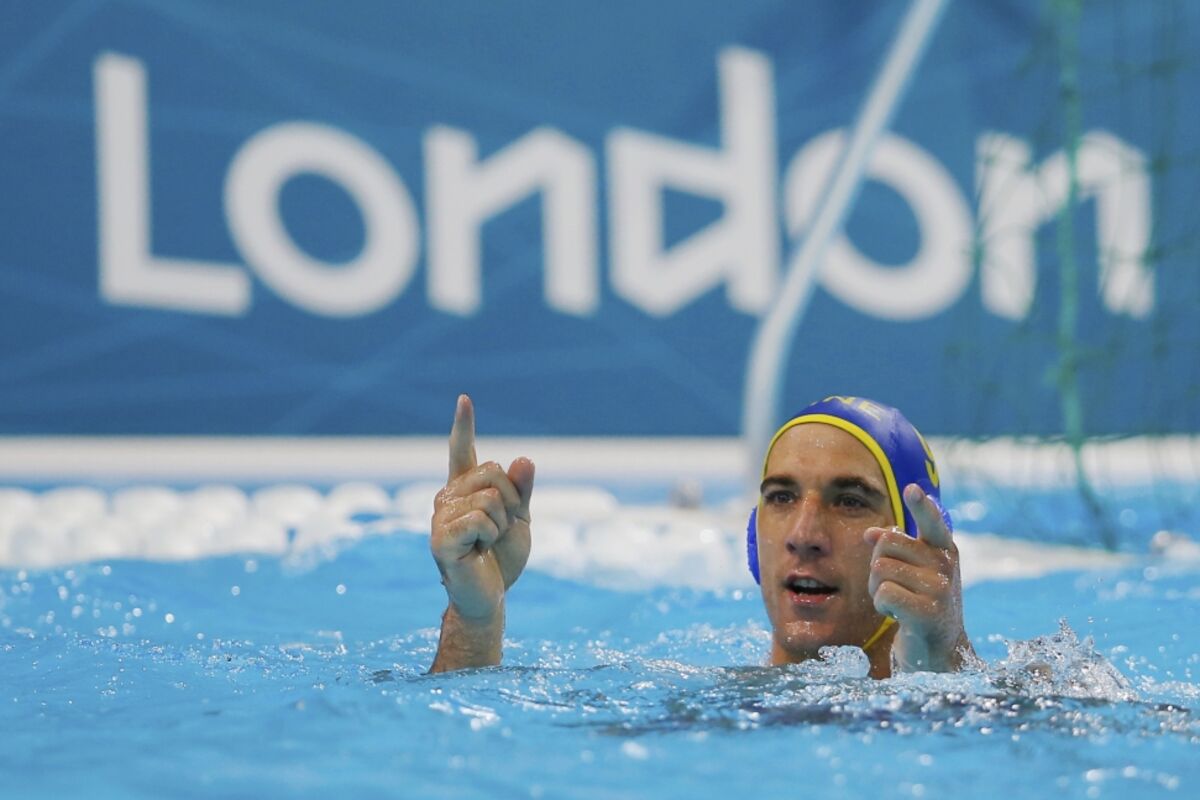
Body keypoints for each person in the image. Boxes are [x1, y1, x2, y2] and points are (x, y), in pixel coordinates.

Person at [428, 394, 974, 678]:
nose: (804, 535)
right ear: (753, 541)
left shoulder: (1006, 705)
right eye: (781, 497)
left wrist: (944, 660)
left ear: (915, 544)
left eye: (849, 501)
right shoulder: (690, 704)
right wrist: (475, 623)